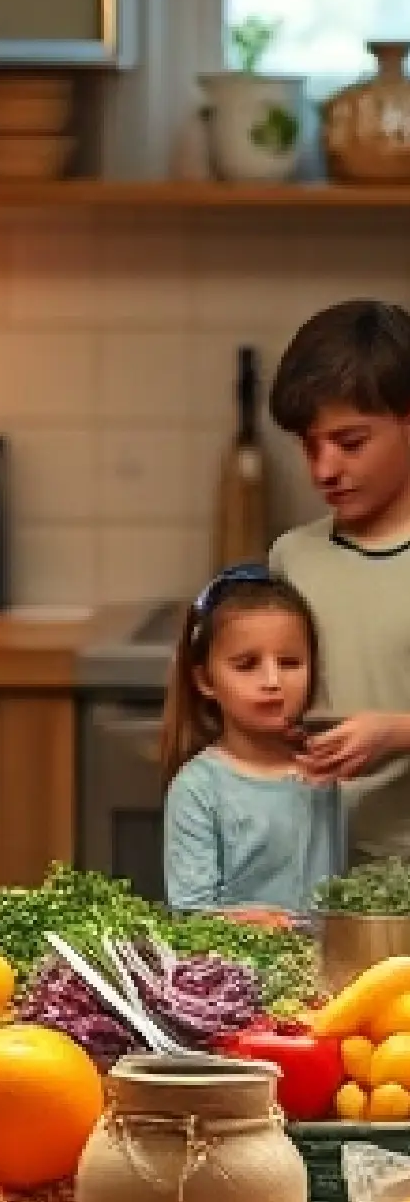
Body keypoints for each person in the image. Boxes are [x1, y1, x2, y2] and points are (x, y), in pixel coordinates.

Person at [269, 299, 410, 862]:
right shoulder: (293, 559)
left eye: (351, 443)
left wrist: (396, 732)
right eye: (310, 446)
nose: (324, 470)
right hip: (320, 875)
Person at [161, 566, 344, 913]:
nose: (273, 680)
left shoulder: (323, 771)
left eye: (290, 663)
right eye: (247, 665)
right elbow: (190, 915)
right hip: (239, 966)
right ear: (205, 680)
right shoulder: (199, 788)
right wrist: (251, 924)